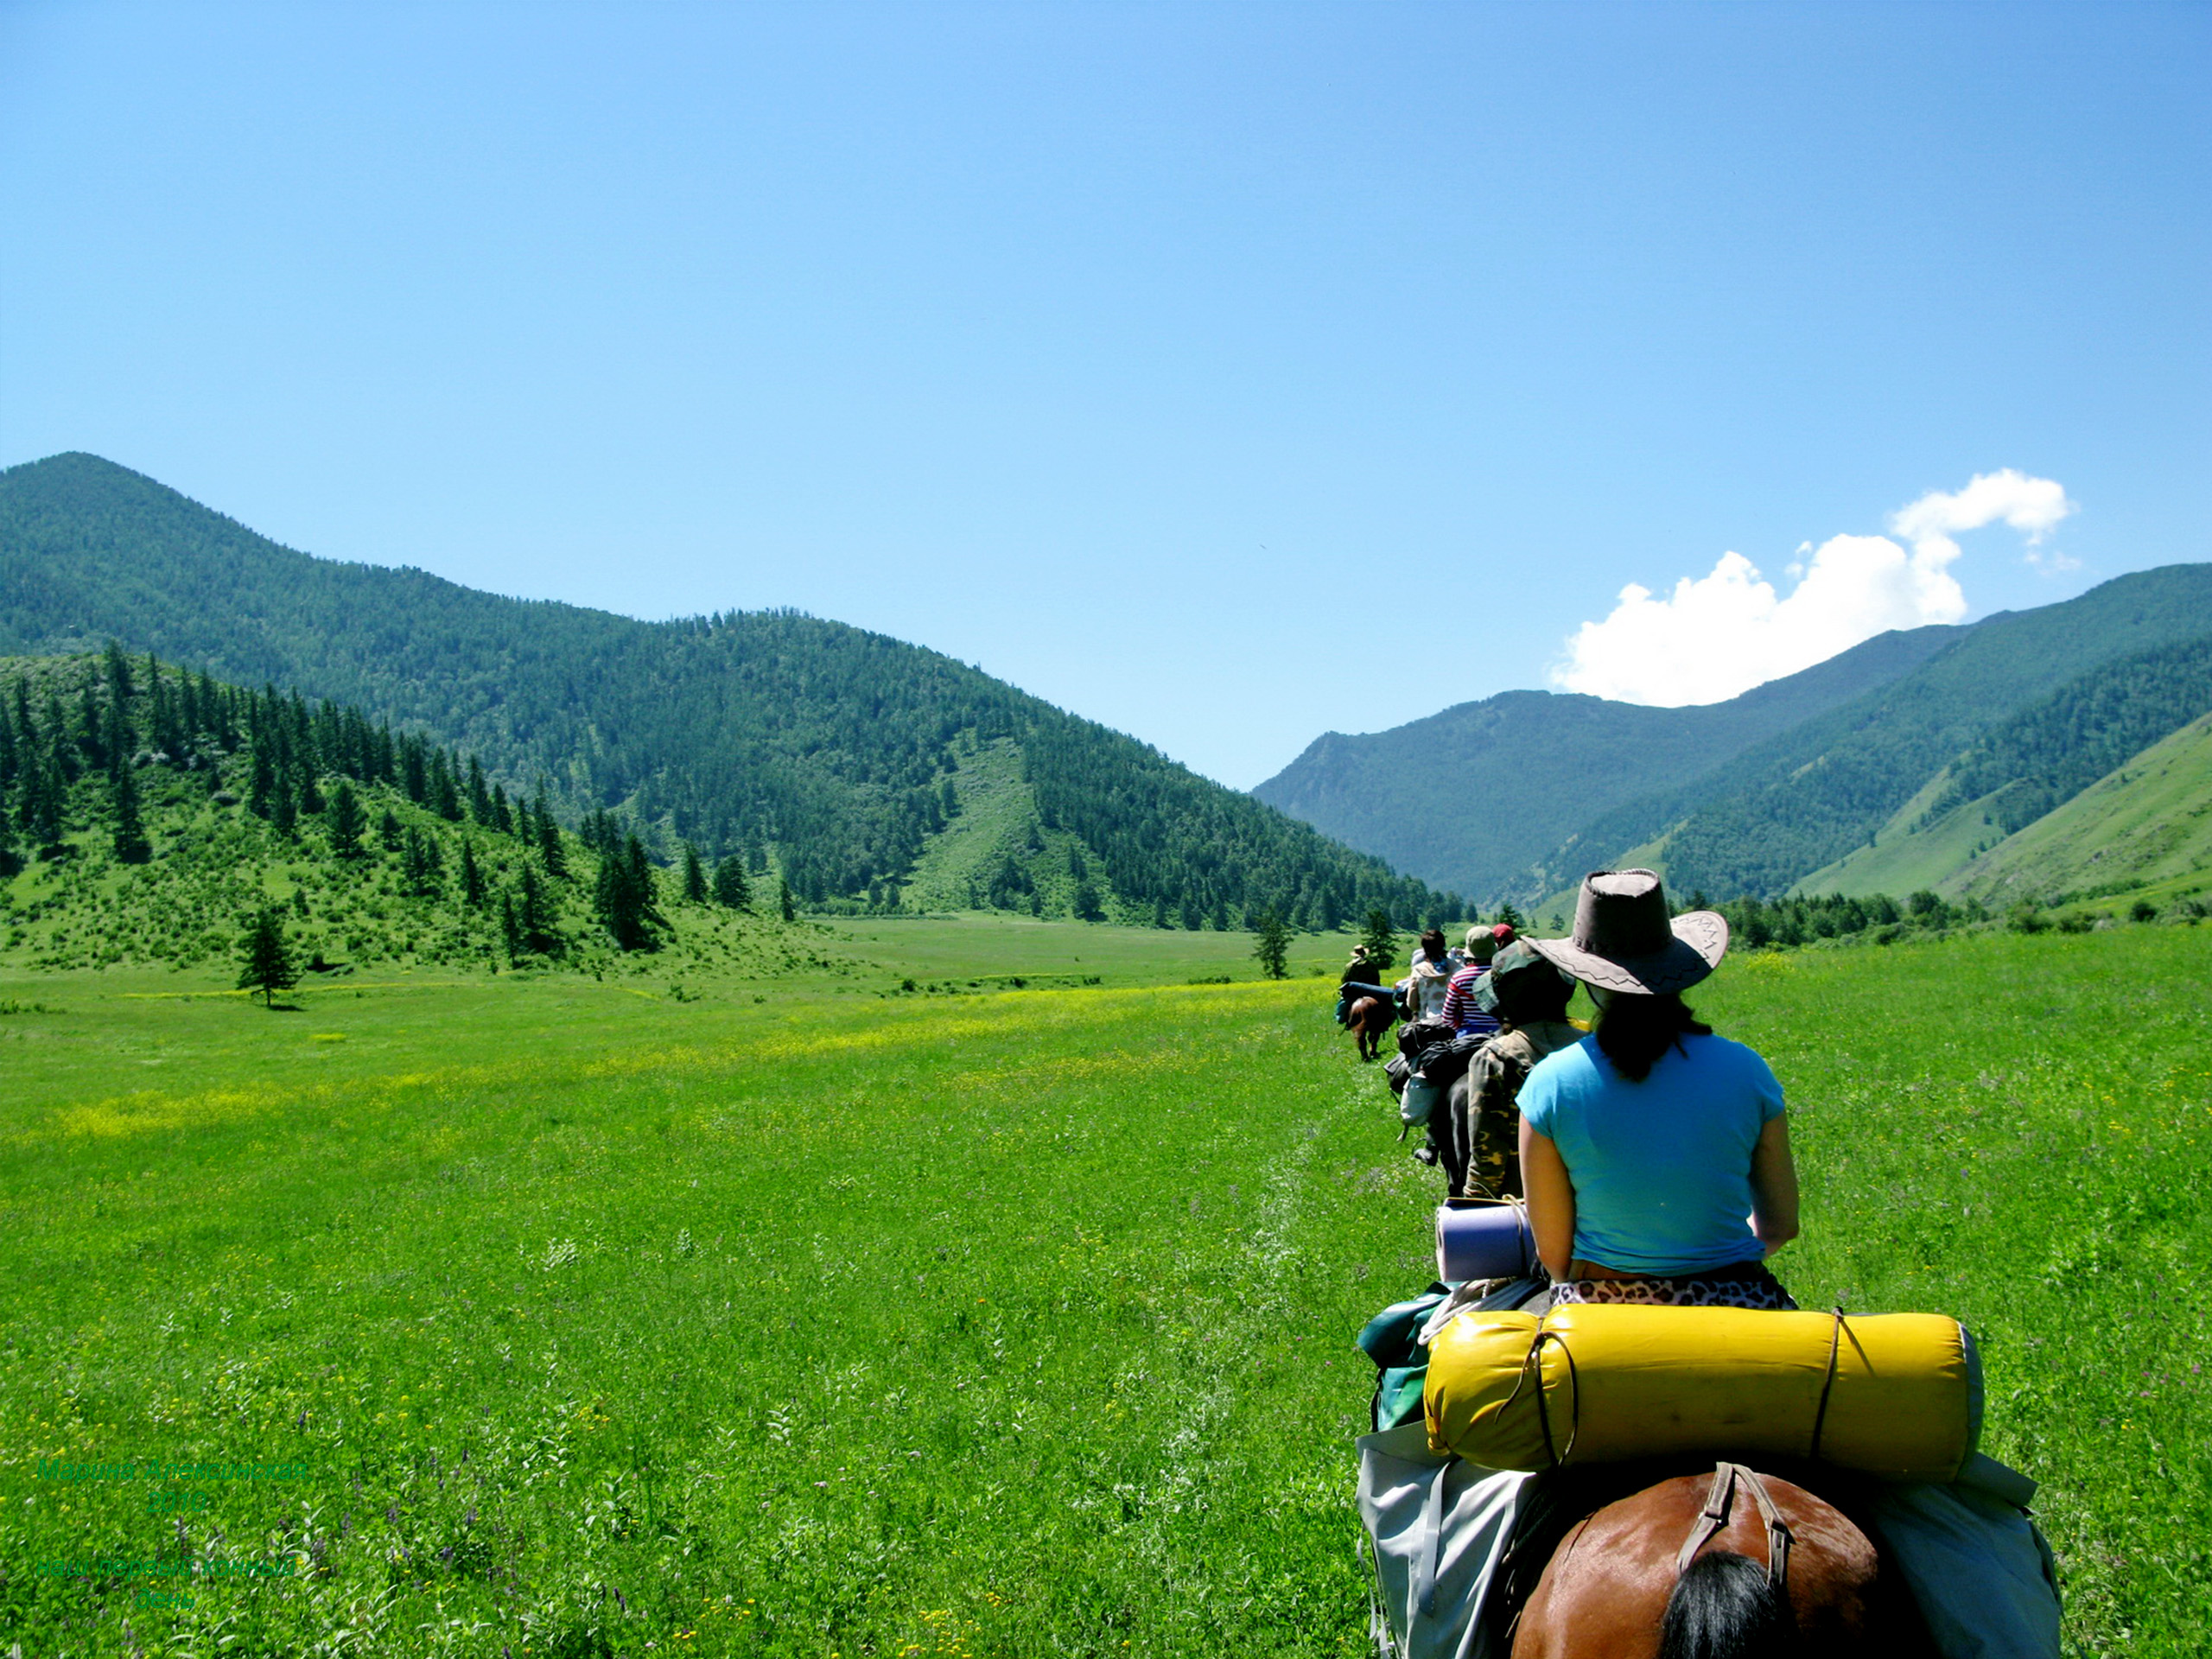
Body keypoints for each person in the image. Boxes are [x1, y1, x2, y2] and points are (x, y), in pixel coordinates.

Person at [1516, 869, 1800, 1310]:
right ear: (1677, 971)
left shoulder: (1550, 1082)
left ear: (1589, 979)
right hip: (1738, 1300)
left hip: (1603, 1308)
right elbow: (1781, 1226)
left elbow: (1554, 1255)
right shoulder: (1749, 1070)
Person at [1450, 939, 1584, 1200]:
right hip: (1595, 1205)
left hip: (1526, 1207)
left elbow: (1488, 1157)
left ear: (1504, 1000)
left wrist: (1473, 1204)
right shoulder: (1596, 1048)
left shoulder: (1494, 1058)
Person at [1440, 923, 1514, 1040]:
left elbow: (1447, 1016)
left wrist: (1460, 1027)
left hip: (1469, 1036)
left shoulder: (1459, 978)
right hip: (1502, 1034)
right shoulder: (1507, 974)